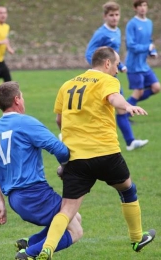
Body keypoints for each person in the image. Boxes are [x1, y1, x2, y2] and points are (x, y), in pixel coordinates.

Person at [36, 47, 156, 260]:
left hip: (76, 158)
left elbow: (58, 120)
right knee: (128, 189)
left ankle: (47, 249)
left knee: (67, 210)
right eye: (117, 64)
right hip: (106, 153)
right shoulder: (108, 81)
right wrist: (127, 106)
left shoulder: (68, 84)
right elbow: (113, 99)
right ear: (107, 63)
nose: (118, 70)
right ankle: (137, 238)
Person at [0, 81, 83, 260]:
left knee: (75, 217)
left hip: (15, 200)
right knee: (76, 230)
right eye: (22, 96)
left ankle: (29, 242)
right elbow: (58, 149)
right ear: (17, 100)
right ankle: (28, 254)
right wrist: (66, 166)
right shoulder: (25, 122)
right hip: (35, 194)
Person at [85, 1, 148, 151]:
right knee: (97, 108)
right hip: (101, 77)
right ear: (105, 16)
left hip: (112, 75)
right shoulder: (101, 33)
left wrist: (120, 65)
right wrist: (98, 70)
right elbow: (89, 53)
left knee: (118, 109)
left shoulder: (118, 31)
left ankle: (130, 141)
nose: (114, 18)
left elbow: (111, 54)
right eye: (111, 15)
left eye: (117, 15)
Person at [125, 0, 160, 106]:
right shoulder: (132, 24)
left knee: (156, 87)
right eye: (140, 6)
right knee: (138, 91)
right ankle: (124, 111)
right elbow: (131, 45)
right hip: (134, 65)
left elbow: (149, 41)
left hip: (144, 64)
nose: (142, 8)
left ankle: (126, 105)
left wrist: (152, 51)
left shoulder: (149, 23)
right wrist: (147, 47)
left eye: (144, 5)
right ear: (135, 8)